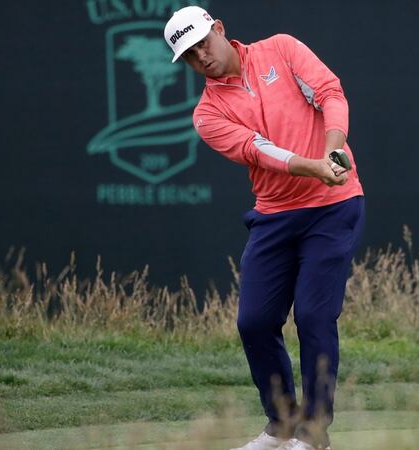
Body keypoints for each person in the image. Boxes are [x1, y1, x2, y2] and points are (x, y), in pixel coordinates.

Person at [164, 6, 365, 450]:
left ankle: (314, 433)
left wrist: (332, 153)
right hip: (274, 215)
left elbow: (331, 93)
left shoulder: (282, 49)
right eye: (191, 56)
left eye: (203, 44)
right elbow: (259, 150)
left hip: (333, 206)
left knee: (314, 315)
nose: (202, 57)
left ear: (219, 29)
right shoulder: (208, 114)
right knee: (254, 321)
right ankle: (282, 424)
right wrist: (313, 166)